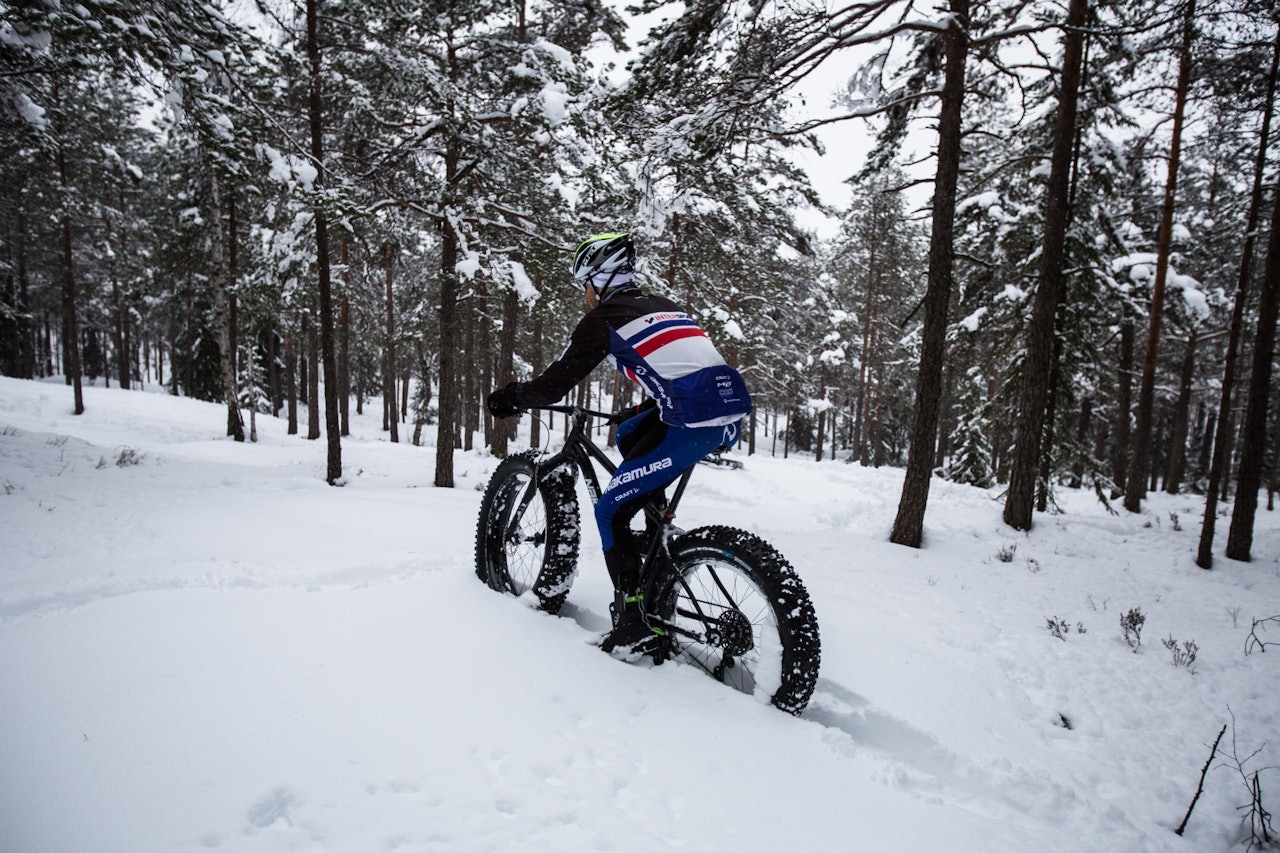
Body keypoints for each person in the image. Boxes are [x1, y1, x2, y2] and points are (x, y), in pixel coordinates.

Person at [486, 232, 752, 656]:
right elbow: (683, 367)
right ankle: (653, 535)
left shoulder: (604, 319)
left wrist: (512, 397)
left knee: (609, 511)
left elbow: (554, 384)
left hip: (692, 424)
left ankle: (633, 620)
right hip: (727, 413)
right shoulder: (665, 306)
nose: (585, 296)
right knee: (629, 434)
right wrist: (645, 408)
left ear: (599, 280)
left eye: (584, 286)